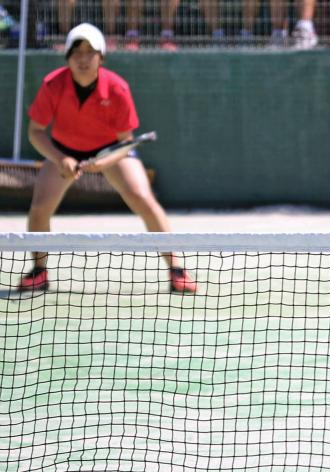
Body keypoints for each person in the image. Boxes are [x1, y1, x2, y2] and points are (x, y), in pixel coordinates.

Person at [18, 23, 197, 294]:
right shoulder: (52, 84)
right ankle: (39, 271)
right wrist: (59, 158)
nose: (83, 58)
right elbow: (35, 132)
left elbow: (127, 141)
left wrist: (104, 162)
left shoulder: (117, 88)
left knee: (143, 198)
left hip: (112, 149)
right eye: (76, 51)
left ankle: (176, 269)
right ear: (67, 56)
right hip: (64, 150)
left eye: (90, 52)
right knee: (40, 207)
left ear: (101, 57)